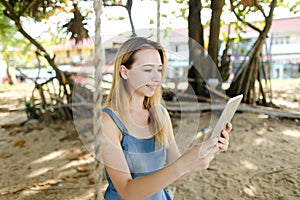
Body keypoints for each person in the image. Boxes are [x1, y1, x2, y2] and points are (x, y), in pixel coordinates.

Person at [100, 37, 231, 200]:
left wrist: (207, 146)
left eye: (159, 69)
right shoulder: (108, 122)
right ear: (124, 71)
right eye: (147, 70)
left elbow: (174, 169)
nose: (157, 78)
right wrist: (182, 165)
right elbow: (127, 191)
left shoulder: (160, 114)